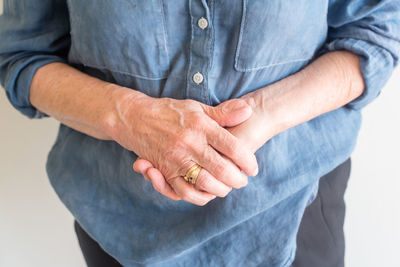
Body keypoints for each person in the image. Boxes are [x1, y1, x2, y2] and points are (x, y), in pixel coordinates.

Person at [1, 1, 399, 266]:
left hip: (296, 207)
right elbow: (21, 57)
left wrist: (262, 115)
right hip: (118, 223)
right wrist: (129, 117)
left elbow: (377, 33)